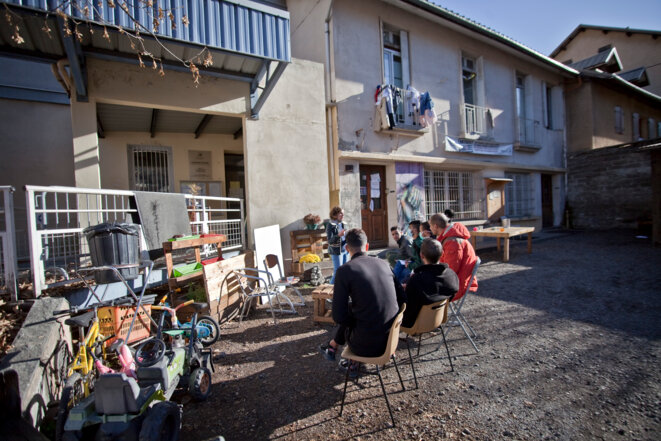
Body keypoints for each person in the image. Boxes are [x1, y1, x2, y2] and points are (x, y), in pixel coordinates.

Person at [319, 229, 406, 377]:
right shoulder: (384, 264)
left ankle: (341, 353)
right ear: (367, 247)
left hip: (365, 346)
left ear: (347, 249)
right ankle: (334, 348)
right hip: (392, 339)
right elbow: (402, 299)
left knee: (352, 311)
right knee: (359, 309)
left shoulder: (345, 270)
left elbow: (339, 316)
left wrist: (354, 318)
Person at [402, 238, 459, 328]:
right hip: (438, 320)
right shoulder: (451, 275)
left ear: (421, 255)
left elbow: (408, 305)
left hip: (414, 323)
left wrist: (405, 289)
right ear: (442, 253)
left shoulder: (417, 280)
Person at [429, 212, 478, 300]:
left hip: (456, 284)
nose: (430, 228)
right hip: (455, 279)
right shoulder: (449, 237)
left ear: (435, 226)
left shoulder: (453, 242)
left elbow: (451, 270)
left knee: (422, 292)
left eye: (430, 226)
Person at [326, 206, 347, 284]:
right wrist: (338, 235)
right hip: (336, 251)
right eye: (341, 213)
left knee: (345, 271)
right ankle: (330, 290)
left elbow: (344, 237)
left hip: (345, 250)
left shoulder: (342, 224)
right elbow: (330, 241)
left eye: (343, 214)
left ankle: (343, 290)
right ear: (334, 215)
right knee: (338, 272)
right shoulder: (330, 225)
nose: (343, 215)